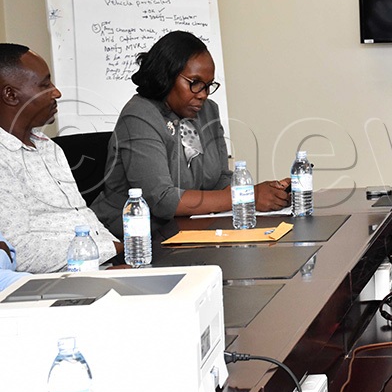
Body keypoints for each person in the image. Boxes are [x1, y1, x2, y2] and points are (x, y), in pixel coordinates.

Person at [92, 31, 289, 238]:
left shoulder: (208, 111)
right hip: (132, 239)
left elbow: (220, 179)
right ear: (165, 75)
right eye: (194, 83)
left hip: (187, 230)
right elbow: (161, 200)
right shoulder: (139, 116)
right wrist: (246, 196)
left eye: (207, 85)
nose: (203, 94)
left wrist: (270, 194)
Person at [0, 44, 118, 272]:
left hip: (102, 263)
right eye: (45, 85)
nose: (56, 92)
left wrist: (124, 253)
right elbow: (17, 250)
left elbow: (82, 217)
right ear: (11, 95)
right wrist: (111, 250)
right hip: (59, 282)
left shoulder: (49, 147)